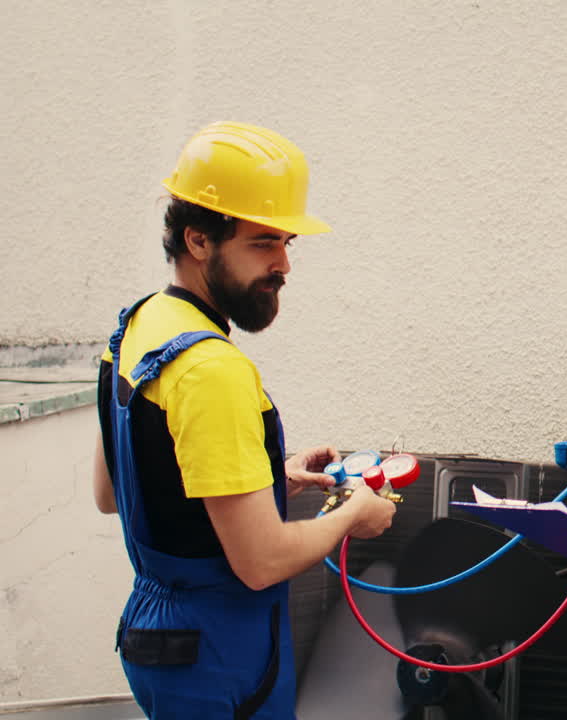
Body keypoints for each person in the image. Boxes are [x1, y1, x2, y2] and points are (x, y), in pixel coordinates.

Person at [91, 121, 397, 718]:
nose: (283, 264)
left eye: (287, 242)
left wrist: (263, 480)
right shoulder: (212, 370)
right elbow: (261, 563)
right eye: (262, 243)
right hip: (219, 651)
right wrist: (355, 515)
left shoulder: (134, 330)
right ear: (199, 239)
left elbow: (117, 493)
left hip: (157, 639)